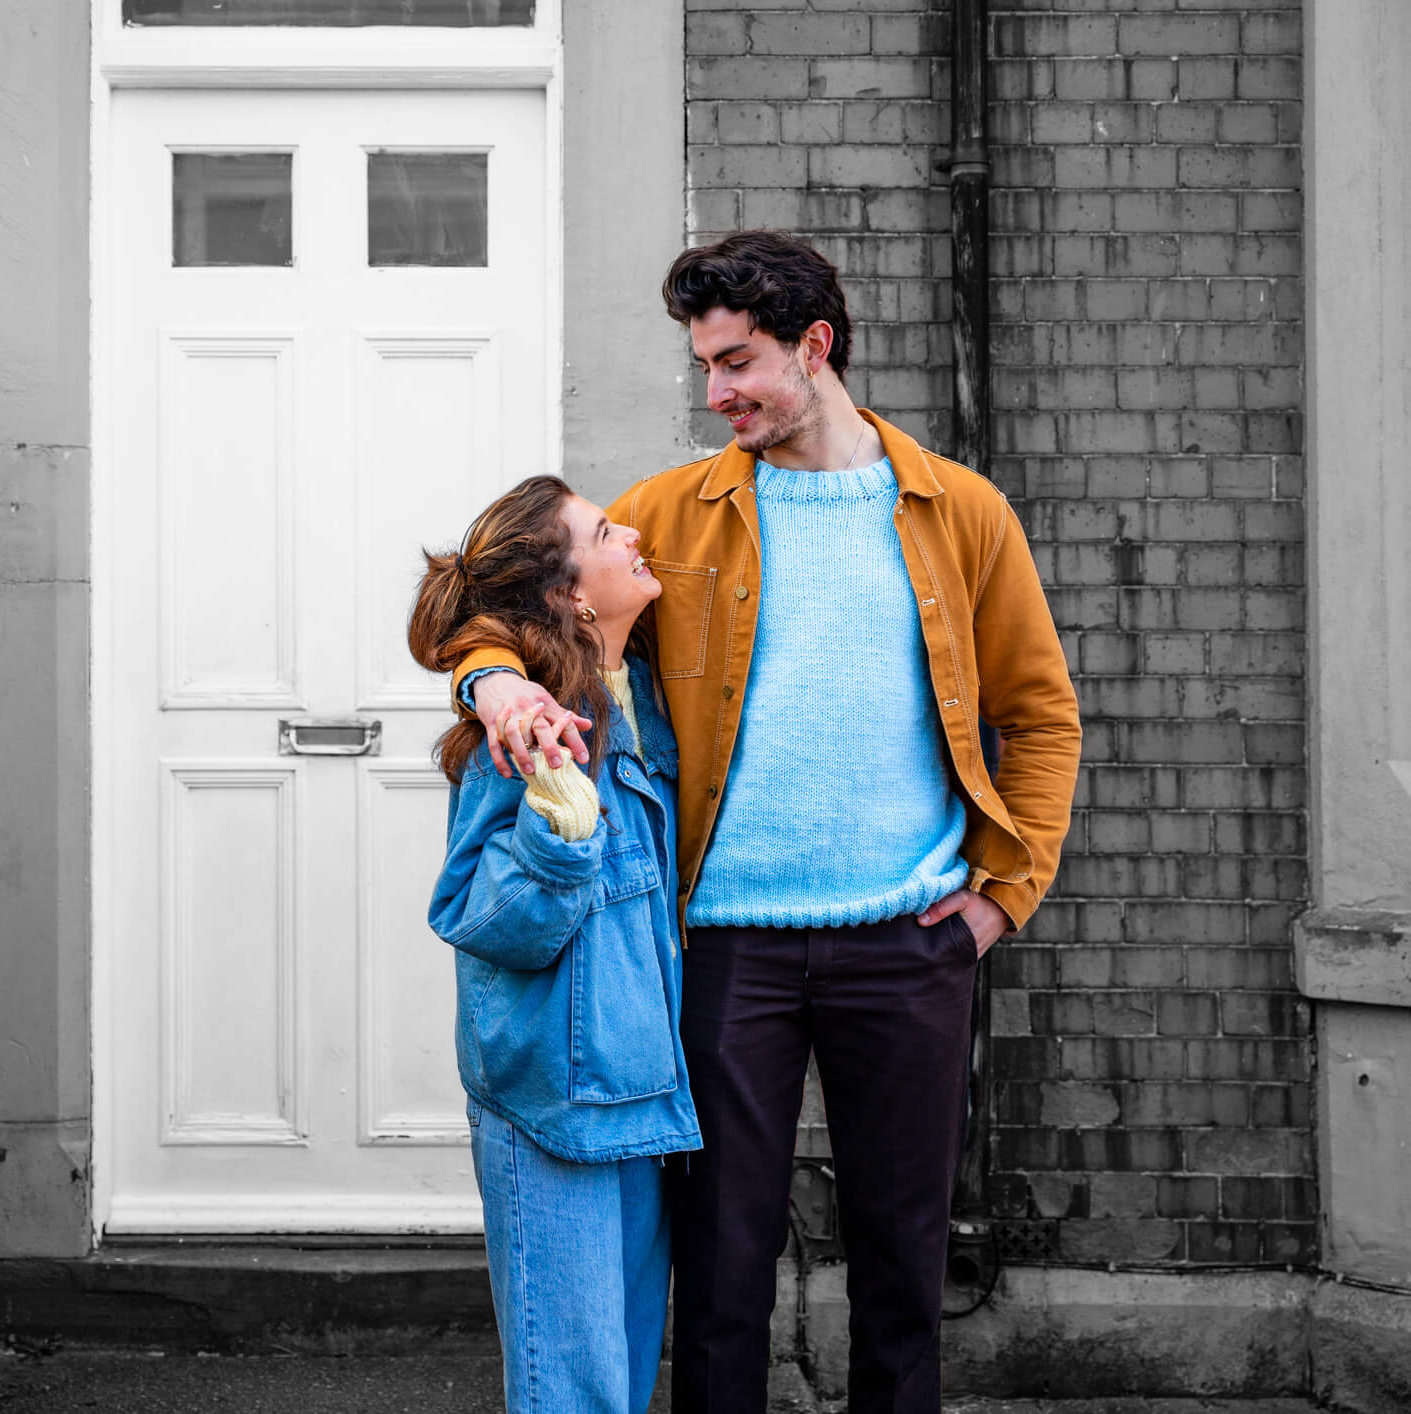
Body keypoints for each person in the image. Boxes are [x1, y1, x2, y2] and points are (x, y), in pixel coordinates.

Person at [452, 231, 1081, 1413]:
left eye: (736, 362)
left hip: (910, 943)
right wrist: (491, 680)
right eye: (704, 365)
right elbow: (505, 603)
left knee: (904, 1273)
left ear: (815, 345)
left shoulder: (962, 514)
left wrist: (999, 904)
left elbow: (1041, 719)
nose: (716, 392)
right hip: (726, 950)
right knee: (722, 1270)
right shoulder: (670, 516)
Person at [410, 475, 699, 1414]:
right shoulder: (520, 732)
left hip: (642, 1097)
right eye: (607, 532)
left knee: (616, 1379)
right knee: (572, 1394)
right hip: (554, 1105)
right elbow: (480, 918)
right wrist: (559, 835)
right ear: (568, 592)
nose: (634, 536)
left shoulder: (644, 700)